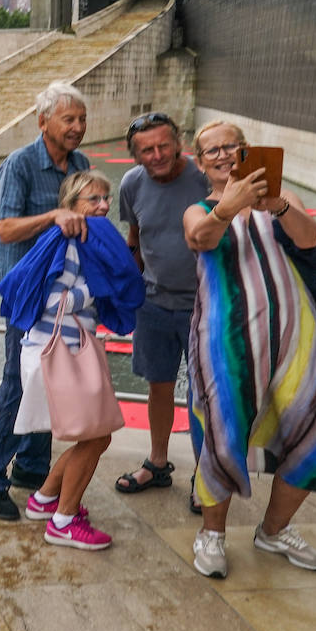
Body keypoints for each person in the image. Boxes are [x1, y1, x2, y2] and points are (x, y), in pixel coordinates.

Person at [183, 120, 316, 579]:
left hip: (296, 335)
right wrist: (226, 209)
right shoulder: (198, 207)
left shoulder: (280, 202)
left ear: (248, 151)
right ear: (200, 162)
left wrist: (280, 204)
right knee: (223, 432)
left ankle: (274, 530)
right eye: (213, 150)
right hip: (226, 337)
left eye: (232, 146)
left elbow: (310, 239)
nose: (224, 155)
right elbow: (200, 238)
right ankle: (211, 534)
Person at [0, 170, 144, 548]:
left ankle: (45, 499)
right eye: (93, 200)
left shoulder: (70, 239)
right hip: (62, 350)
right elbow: (49, 300)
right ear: (71, 206)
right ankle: (62, 522)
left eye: (105, 199)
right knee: (96, 437)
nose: (104, 206)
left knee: (93, 436)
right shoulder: (73, 242)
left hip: (57, 348)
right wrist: (97, 292)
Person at [0, 80, 92, 520]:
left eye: (82, 120)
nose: (77, 127)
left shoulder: (78, 164)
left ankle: (32, 468)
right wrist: (54, 216)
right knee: (18, 383)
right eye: (69, 119)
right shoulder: (19, 165)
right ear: (43, 122)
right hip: (28, 298)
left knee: (51, 383)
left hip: (65, 298)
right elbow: (5, 229)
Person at [112, 113, 209, 500]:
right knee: (159, 387)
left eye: (163, 145)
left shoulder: (204, 178)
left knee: (205, 394)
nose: (156, 155)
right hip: (152, 303)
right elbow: (135, 236)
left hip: (204, 306)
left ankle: (207, 476)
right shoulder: (131, 184)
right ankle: (157, 462)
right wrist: (125, 290)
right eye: (146, 150)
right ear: (135, 155)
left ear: (179, 142)